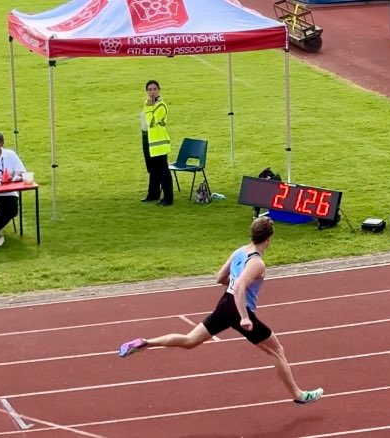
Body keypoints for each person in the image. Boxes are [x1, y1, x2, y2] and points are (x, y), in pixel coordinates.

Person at [118, 217, 324, 406]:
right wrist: (244, 317)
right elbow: (242, 286)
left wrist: (234, 292)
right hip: (237, 309)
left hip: (225, 303)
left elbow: (220, 278)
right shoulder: (257, 263)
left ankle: (146, 342)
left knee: (190, 340)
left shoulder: (239, 252)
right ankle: (298, 395)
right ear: (269, 239)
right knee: (276, 350)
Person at [140, 80, 173, 206]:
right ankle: (153, 194)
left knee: (164, 172)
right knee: (153, 171)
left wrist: (148, 108)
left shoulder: (161, 106)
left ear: (159, 90)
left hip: (159, 143)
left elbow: (151, 121)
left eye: (154, 89)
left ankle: (168, 199)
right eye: (149, 89)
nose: (152, 92)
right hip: (150, 141)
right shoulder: (148, 104)